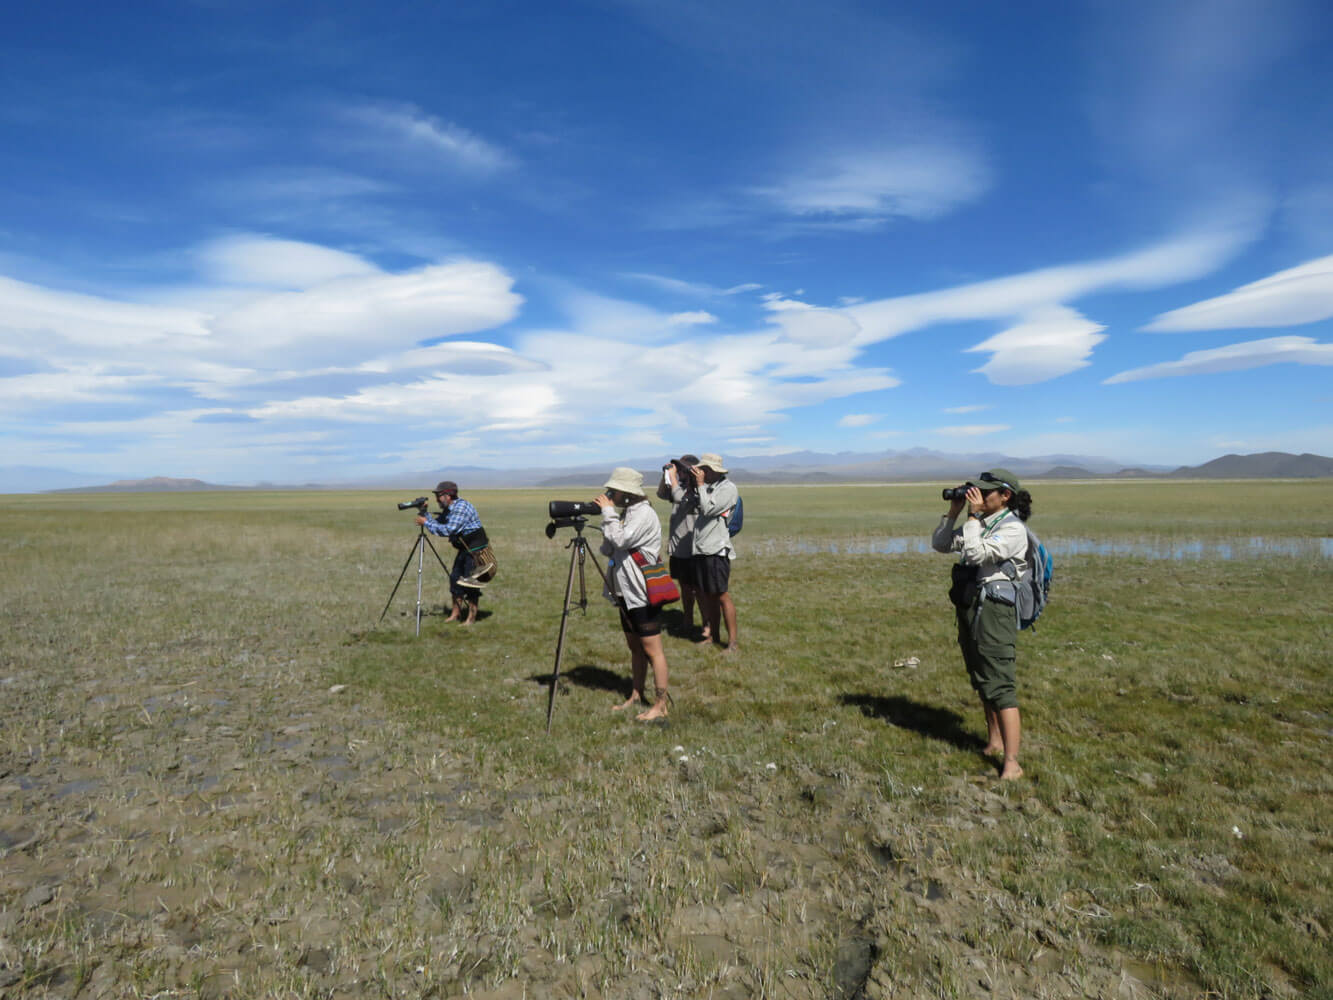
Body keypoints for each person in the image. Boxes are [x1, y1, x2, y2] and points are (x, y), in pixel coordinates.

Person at [931, 468, 1033, 780]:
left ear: (1005, 496)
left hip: (995, 610)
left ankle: (1012, 763)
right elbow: (941, 544)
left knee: (1000, 683)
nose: (977, 496)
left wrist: (973, 520)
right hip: (971, 605)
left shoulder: (1012, 529)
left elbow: (974, 554)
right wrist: (954, 513)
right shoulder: (980, 522)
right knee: (981, 677)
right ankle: (994, 742)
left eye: (985, 492)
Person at [595, 467, 671, 721]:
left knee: (652, 650)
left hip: (641, 592)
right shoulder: (627, 513)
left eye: (613, 490)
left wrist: (608, 514)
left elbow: (621, 541)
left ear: (626, 492)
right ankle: (636, 694)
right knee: (635, 647)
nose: (609, 494)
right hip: (624, 591)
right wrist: (609, 519)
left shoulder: (644, 514)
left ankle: (660, 704)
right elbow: (609, 547)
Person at [415, 480, 493, 626]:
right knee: (455, 579)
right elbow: (439, 523)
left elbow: (448, 530)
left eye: (439, 496)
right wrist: (425, 515)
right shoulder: (450, 509)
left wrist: (425, 522)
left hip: (475, 550)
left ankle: (471, 618)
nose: (437, 499)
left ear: (448, 495)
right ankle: (455, 614)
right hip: (465, 548)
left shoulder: (460, 508)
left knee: (470, 583)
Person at [690, 453, 739, 652]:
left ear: (714, 471)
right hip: (702, 549)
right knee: (709, 596)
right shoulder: (709, 488)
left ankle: (733, 643)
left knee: (721, 595)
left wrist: (700, 485)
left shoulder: (728, 489)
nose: (702, 473)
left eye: (705, 470)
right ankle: (714, 637)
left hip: (716, 550)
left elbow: (708, 509)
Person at [657, 454, 708, 641]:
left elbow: (679, 498)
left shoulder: (700, 490)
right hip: (679, 548)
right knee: (685, 588)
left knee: (700, 590)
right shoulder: (681, 486)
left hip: (694, 547)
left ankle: (706, 625)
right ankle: (687, 620)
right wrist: (667, 476)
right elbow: (663, 494)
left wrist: (673, 479)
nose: (680, 472)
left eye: (683, 468)